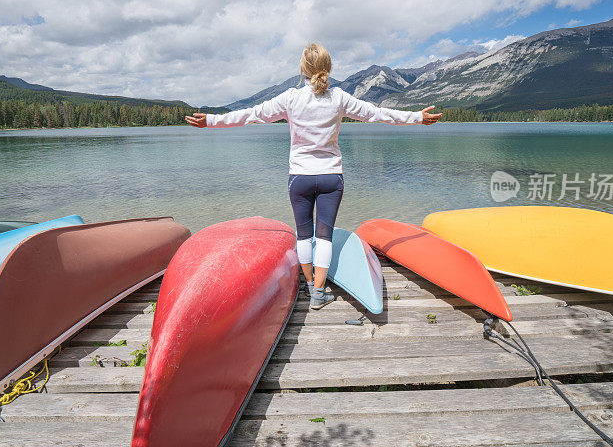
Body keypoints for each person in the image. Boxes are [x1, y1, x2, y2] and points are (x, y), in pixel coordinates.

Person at [186, 43, 442, 309]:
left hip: (300, 177)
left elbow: (253, 115)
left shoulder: (290, 98)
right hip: (331, 177)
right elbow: (376, 113)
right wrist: (416, 117)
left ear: (303, 68)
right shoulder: (340, 97)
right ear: (328, 68)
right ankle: (319, 293)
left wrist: (212, 121)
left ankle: (310, 286)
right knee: (324, 237)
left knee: (303, 235)